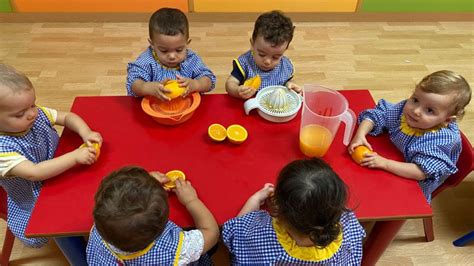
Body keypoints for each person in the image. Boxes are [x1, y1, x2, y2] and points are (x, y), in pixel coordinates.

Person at [0, 64, 102, 263]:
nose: (31, 114)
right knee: (61, 224)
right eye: (19, 114)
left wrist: (86, 132)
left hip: (62, 175)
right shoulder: (3, 150)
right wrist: (74, 157)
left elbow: (67, 117)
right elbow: (34, 172)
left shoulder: (34, 116)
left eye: (33, 105)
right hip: (34, 198)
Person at [348, 70, 471, 203]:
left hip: (413, 184)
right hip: (391, 160)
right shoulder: (406, 111)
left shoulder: (441, 141)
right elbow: (378, 115)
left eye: (429, 110)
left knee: (394, 209)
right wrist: (360, 134)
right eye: (415, 100)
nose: (416, 110)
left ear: (447, 120)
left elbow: (421, 172)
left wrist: (384, 163)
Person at [222, 158, 365, 264]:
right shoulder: (349, 227)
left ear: (279, 211)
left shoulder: (261, 235)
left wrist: (257, 198)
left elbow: (235, 231)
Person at [86, 166, 219, 265]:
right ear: (162, 225)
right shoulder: (171, 248)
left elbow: (122, 205)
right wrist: (191, 201)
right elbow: (212, 233)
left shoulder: (102, 226)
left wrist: (143, 185)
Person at [126, 8, 216, 101]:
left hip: (186, 108)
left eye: (179, 50)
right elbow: (134, 82)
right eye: (164, 51)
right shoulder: (147, 61)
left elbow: (208, 80)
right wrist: (147, 87)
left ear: (187, 43)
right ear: (152, 44)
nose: (172, 56)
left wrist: (196, 84)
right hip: (155, 107)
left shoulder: (191, 59)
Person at [225, 10, 301, 99]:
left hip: (274, 109)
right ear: (252, 44)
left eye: (276, 57)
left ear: (284, 50)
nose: (267, 61)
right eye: (261, 54)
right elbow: (230, 83)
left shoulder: (285, 66)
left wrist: (290, 85)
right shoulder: (245, 63)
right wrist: (237, 91)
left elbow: (288, 81)